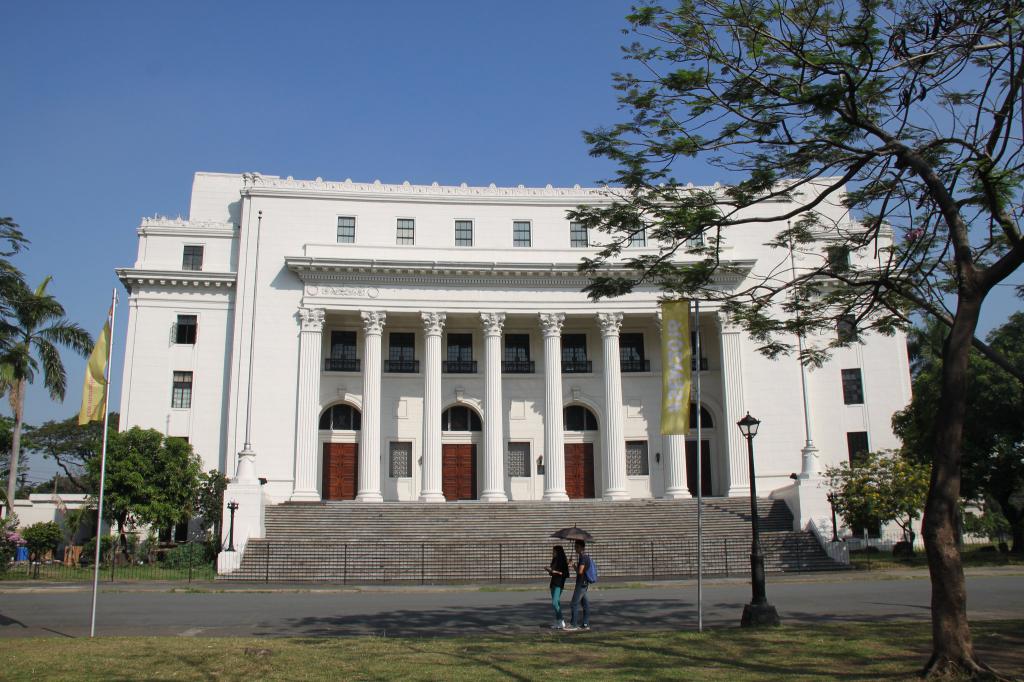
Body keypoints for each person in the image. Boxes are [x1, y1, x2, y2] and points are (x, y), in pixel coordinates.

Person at [567, 539, 591, 631]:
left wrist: (575, 565)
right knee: (585, 604)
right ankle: (585, 624)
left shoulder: (583, 557)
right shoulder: (584, 557)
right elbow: (579, 571)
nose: (575, 548)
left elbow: (580, 572)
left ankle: (573, 625)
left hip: (581, 583)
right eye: (575, 546)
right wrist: (573, 565)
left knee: (574, 603)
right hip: (584, 583)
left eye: (577, 547)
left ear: (582, 547)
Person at [545, 545, 569, 629]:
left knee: (555, 602)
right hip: (553, 583)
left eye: (554, 551)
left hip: (559, 583)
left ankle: (561, 621)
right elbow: (552, 573)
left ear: (558, 552)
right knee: (557, 603)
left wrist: (557, 572)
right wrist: (550, 571)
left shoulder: (563, 562)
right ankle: (558, 621)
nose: (553, 553)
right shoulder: (554, 560)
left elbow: (565, 574)